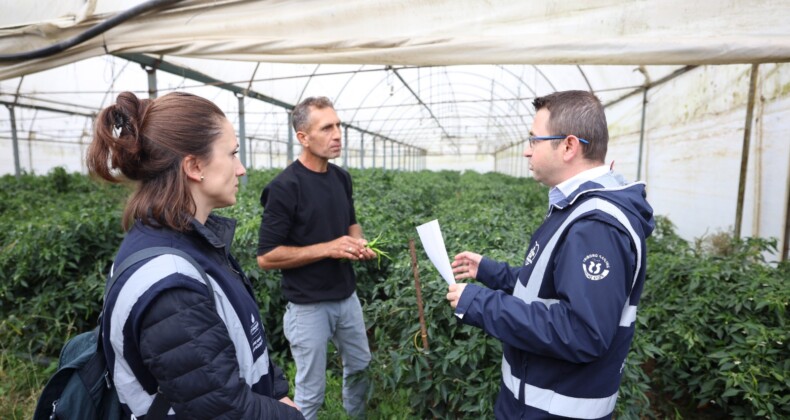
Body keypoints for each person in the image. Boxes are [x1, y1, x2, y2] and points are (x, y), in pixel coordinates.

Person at [87, 91, 303, 419]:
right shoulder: (170, 285)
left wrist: (274, 393)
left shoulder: (193, 242)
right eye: (232, 154)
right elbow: (224, 411)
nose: (241, 169)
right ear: (194, 166)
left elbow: (239, 340)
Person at [446, 90, 655, 419]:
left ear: (569, 146)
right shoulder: (573, 208)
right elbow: (547, 285)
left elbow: (583, 330)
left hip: (556, 410)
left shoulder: (596, 226)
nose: (527, 152)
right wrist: (489, 271)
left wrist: (480, 304)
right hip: (533, 402)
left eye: (534, 140)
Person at [257, 96, 375, 420]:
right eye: (327, 128)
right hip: (308, 306)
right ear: (303, 138)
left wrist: (357, 242)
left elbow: (350, 223)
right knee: (311, 391)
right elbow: (266, 256)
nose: (337, 134)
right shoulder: (284, 187)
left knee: (361, 367)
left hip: (346, 297)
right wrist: (329, 247)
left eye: (338, 125)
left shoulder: (341, 178)